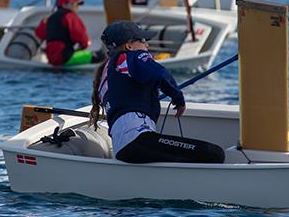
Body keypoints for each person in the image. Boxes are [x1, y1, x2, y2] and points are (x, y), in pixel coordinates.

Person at [88, 20, 225, 164]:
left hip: (122, 148)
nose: (147, 44)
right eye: (142, 40)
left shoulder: (106, 72)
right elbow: (160, 74)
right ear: (129, 46)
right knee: (214, 153)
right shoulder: (131, 57)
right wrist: (178, 98)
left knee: (185, 158)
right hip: (137, 138)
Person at [34, 0, 104, 67]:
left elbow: (39, 33)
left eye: (78, 5)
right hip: (65, 57)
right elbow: (81, 37)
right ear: (64, 4)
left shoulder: (49, 18)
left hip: (51, 58)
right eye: (74, 4)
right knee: (101, 56)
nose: (77, 7)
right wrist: (83, 46)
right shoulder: (70, 16)